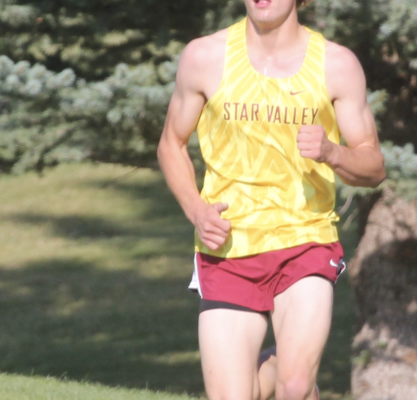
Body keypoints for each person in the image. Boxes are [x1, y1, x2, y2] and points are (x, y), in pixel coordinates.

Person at [157, 0, 385, 399]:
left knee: (294, 387)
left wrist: (332, 152)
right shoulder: (204, 57)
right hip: (229, 248)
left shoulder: (336, 65)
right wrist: (197, 210)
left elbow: (373, 165)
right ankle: (280, 363)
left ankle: (294, 376)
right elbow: (170, 144)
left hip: (305, 241)